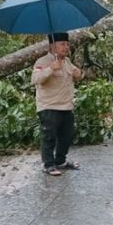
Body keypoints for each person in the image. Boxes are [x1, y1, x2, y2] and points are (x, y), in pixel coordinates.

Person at [31, 33, 83, 176]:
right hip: (49, 107)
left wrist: (79, 74)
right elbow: (35, 79)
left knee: (67, 135)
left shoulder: (67, 61)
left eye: (67, 44)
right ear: (52, 46)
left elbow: (75, 75)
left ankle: (60, 161)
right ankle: (48, 164)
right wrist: (50, 69)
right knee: (49, 137)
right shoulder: (42, 61)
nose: (66, 47)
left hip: (66, 106)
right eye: (62, 44)